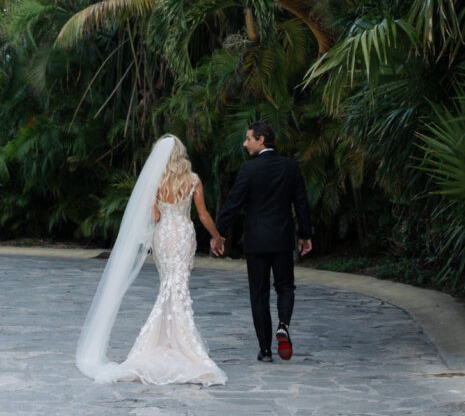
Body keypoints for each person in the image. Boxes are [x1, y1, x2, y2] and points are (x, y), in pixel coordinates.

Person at [76, 134, 227, 386]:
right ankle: (181, 342)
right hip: (182, 234)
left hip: (163, 235)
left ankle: (167, 340)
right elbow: (203, 214)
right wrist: (217, 237)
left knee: (168, 285)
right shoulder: (193, 180)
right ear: (181, 154)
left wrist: (161, 207)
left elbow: (154, 215)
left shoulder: (155, 181)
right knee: (177, 286)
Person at [211, 121, 312, 362]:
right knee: (285, 287)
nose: (245, 144)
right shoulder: (290, 167)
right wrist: (306, 235)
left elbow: (232, 204)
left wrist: (218, 234)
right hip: (282, 239)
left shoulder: (248, 170)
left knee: (259, 294)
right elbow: (301, 203)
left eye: (248, 139)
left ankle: (265, 350)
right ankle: (283, 326)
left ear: (261, 139)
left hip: (256, 241)